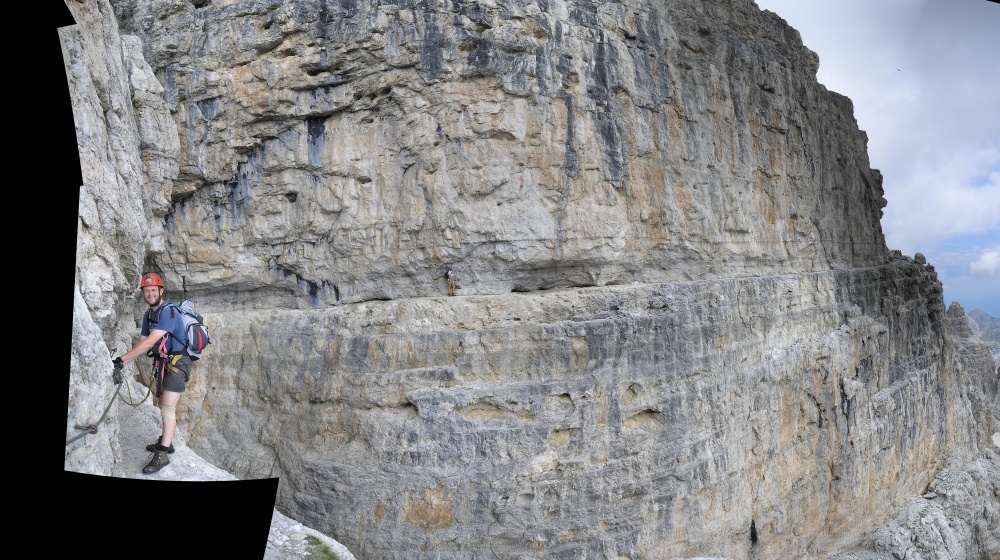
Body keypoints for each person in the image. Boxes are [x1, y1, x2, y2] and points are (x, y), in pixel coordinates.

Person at [113, 272, 193, 474]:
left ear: (161, 291)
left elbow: (150, 342)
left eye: (153, 290)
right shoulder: (149, 315)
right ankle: (168, 440)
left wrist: (122, 359)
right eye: (146, 291)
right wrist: (122, 362)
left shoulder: (169, 312)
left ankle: (163, 453)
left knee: (167, 406)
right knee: (161, 400)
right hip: (164, 362)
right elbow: (142, 343)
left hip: (178, 362)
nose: (149, 294)